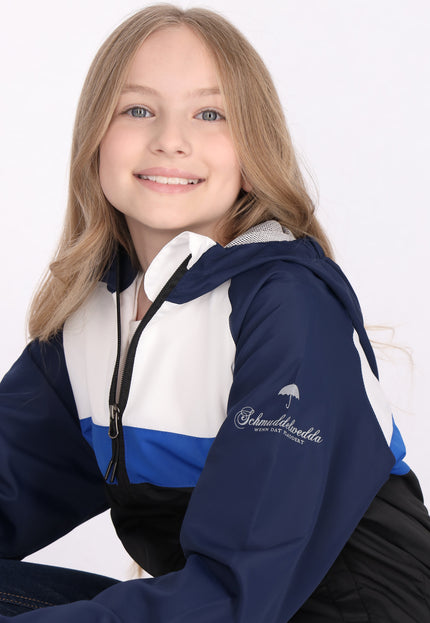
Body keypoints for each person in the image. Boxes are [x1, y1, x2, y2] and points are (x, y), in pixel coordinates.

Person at [0, 4, 429, 621]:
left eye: (210, 114)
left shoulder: (286, 304)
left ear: (253, 153)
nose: (170, 139)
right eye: (137, 109)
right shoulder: (92, 316)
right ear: (94, 138)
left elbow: (237, 591)